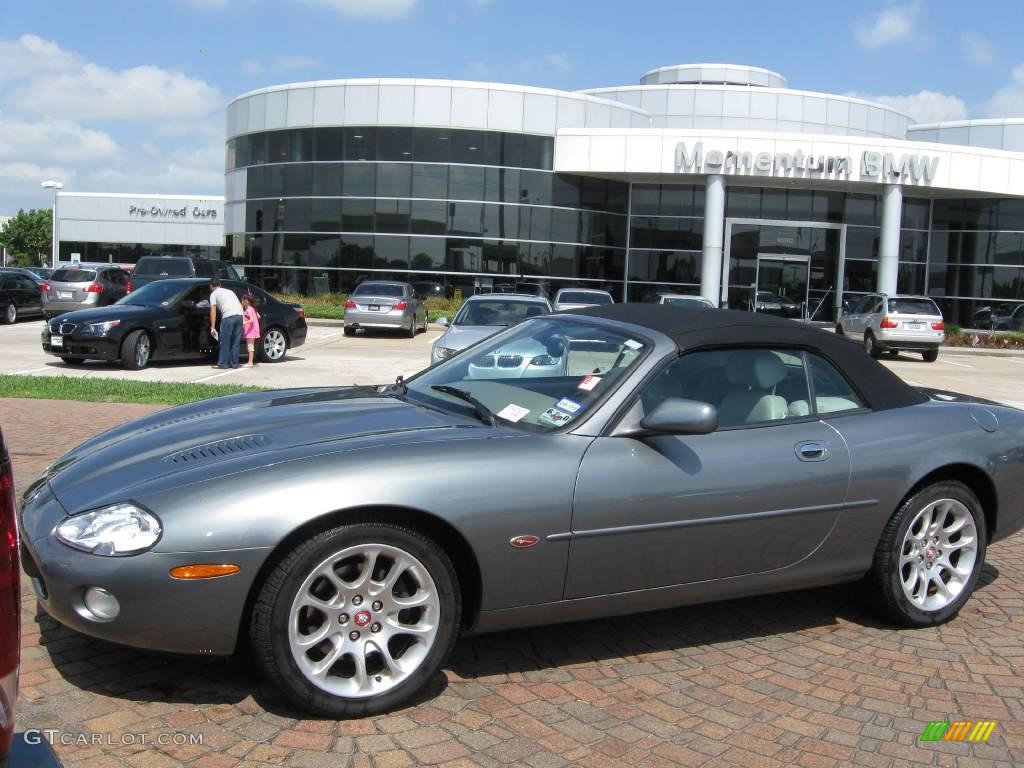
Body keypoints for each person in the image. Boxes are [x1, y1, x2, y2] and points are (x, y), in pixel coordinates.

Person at [208, 278, 244, 369]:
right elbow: (239, 304)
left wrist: (212, 326)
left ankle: (223, 363)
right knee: (235, 341)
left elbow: (213, 310)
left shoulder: (213, 294)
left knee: (225, 341)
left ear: (211, 286)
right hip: (239, 315)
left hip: (228, 316)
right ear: (219, 284)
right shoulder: (230, 291)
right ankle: (234, 363)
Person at [241, 294, 261, 368]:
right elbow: (258, 316)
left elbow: (252, 319)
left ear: (246, 301)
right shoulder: (252, 308)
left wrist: (244, 322)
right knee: (251, 346)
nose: (241, 302)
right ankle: (250, 362)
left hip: (250, 332)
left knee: (250, 347)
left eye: (242, 300)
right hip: (253, 330)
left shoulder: (248, 309)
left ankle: (250, 363)